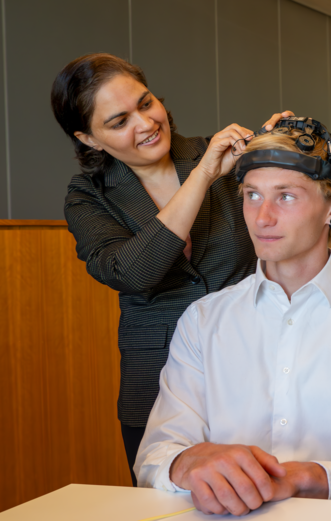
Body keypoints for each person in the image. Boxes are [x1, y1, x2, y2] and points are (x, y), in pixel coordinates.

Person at [134, 123, 331, 516]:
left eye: (286, 196)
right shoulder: (204, 320)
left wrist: (303, 477)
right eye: (252, 195)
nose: (262, 217)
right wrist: (187, 463)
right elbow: (155, 457)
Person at [50, 52, 293, 486]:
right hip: (156, 383)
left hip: (255, 367)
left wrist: (280, 152)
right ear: (88, 139)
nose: (145, 124)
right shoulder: (88, 194)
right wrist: (202, 176)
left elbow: (285, 227)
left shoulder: (221, 154)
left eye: (146, 104)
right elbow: (131, 273)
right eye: (119, 121)